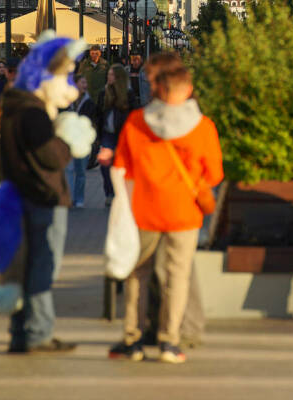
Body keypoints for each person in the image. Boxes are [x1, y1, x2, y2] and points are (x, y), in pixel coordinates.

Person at [108, 52, 223, 365]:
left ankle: (133, 339)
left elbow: (121, 168)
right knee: (178, 277)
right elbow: (214, 175)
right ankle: (170, 342)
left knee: (137, 276)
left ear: (157, 89)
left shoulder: (136, 123)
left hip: (144, 210)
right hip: (184, 214)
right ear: (186, 90)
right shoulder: (203, 128)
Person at [0, 35, 93, 354]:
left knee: (24, 265)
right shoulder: (34, 112)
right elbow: (50, 156)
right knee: (42, 265)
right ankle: (37, 331)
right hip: (43, 196)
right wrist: (67, 142)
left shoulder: (14, 105)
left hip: (20, 193)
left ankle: (21, 330)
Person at [96, 64, 132, 206]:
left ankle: (120, 192)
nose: (108, 77)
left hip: (122, 134)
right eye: (108, 74)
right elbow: (99, 113)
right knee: (105, 165)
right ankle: (109, 193)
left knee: (120, 165)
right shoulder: (103, 93)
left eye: (111, 75)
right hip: (107, 134)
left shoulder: (127, 94)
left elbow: (132, 113)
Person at [66, 75, 97, 209]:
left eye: (85, 82)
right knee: (69, 169)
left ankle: (79, 199)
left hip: (83, 141)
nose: (84, 84)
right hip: (69, 140)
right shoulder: (68, 102)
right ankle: (71, 198)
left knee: (81, 171)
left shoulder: (89, 103)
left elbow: (92, 121)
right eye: (82, 82)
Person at [76, 44, 110, 116]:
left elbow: (109, 78)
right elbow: (79, 77)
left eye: (96, 53)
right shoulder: (84, 64)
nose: (94, 55)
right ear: (90, 53)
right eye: (92, 53)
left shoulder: (105, 64)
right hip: (88, 95)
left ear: (100, 53)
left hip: (100, 97)